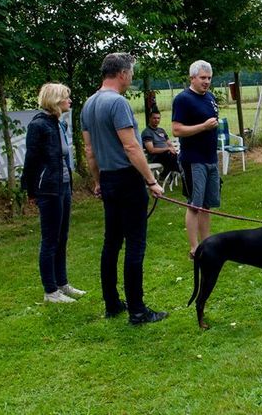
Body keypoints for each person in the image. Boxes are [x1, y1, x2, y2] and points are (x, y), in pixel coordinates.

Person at [81, 53, 167, 325]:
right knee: (135, 245)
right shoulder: (117, 103)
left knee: (111, 243)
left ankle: (112, 303)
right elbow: (131, 147)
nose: (131, 78)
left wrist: (97, 181)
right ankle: (138, 310)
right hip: (127, 180)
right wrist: (151, 181)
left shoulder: (88, 104)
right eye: (131, 73)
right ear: (121, 74)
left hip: (107, 179)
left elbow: (89, 151)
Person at [21, 83, 85, 304]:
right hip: (48, 189)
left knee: (62, 237)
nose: (70, 101)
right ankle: (50, 291)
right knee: (50, 240)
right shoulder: (39, 126)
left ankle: (62, 283)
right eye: (66, 98)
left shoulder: (60, 124)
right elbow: (30, 160)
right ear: (56, 101)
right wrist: (30, 190)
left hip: (64, 186)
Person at [171, 60, 220, 258]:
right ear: (192, 78)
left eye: (209, 78)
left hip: (210, 158)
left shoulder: (210, 97)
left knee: (207, 204)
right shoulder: (183, 99)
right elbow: (176, 129)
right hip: (193, 160)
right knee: (194, 205)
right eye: (202, 78)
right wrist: (203, 127)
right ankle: (194, 248)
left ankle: (206, 245)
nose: (206, 82)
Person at [142, 110, 179, 179]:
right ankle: (179, 171)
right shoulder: (147, 132)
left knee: (175, 157)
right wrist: (167, 148)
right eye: (154, 118)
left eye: (158, 118)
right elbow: (151, 150)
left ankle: (165, 173)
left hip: (167, 155)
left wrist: (171, 148)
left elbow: (169, 144)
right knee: (174, 158)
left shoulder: (161, 130)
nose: (157, 120)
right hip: (156, 157)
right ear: (150, 118)